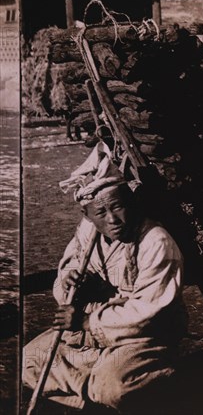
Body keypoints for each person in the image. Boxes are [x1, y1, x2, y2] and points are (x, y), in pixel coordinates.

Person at [23, 142, 187, 410]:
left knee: (114, 387)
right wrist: (70, 284)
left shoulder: (156, 242)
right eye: (101, 212)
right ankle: (93, 392)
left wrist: (88, 321)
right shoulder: (87, 233)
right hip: (90, 335)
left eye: (118, 207)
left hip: (143, 336)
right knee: (29, 361)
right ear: (87, 215)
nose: (113, 219)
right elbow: (65, 274)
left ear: (130, 203)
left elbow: (148, 312)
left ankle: (139, 381)